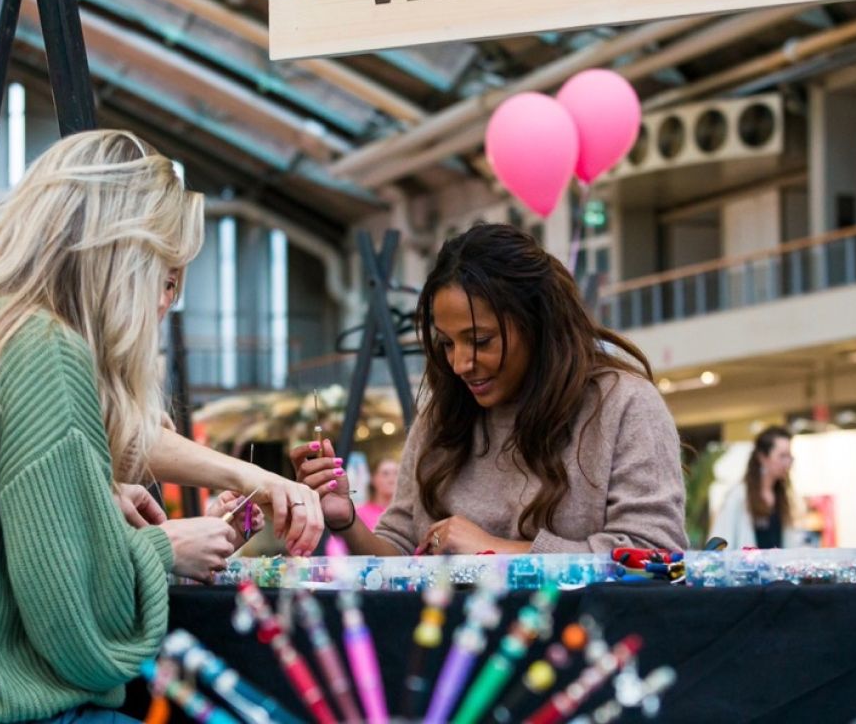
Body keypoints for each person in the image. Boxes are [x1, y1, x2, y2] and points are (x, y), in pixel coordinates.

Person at [0, 130, 321, 724]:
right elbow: (78, 630)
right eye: (165, 276)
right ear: (125, 256)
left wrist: (91, 505)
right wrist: (161, 548)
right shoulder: (47, 351)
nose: (165, 302)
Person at [291, 223, 687, 555]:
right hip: (450, 647)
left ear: (538, 324)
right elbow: (402, 556)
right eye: (447, 343)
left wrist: (491, 550)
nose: (461, 363)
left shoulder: (625, 404)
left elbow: (653, 553)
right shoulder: (442, 417)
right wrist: (346, 519)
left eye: (481, 341)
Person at [711, 426, 794, 549]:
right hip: (746, 568)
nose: (787, 463)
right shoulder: (738, 496)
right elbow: (720, 542)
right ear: (762, 457)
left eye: (789, 457)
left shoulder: (781, 495)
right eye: (782, 456)